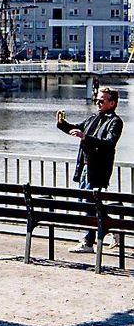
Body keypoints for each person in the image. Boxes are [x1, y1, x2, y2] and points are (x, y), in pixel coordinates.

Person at [56, 86, 123, 253]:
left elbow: (108, 143)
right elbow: (75, 129)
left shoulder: (115, 122)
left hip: (98, 169)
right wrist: (61, 123)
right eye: (97, 99)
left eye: (102, 100)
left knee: (88, 205)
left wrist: (86, 137)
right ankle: (111, 228)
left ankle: (88, 241)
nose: (97, 102)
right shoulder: (94, 118)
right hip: (85, 168)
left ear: (112, 103)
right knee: (87, 204)